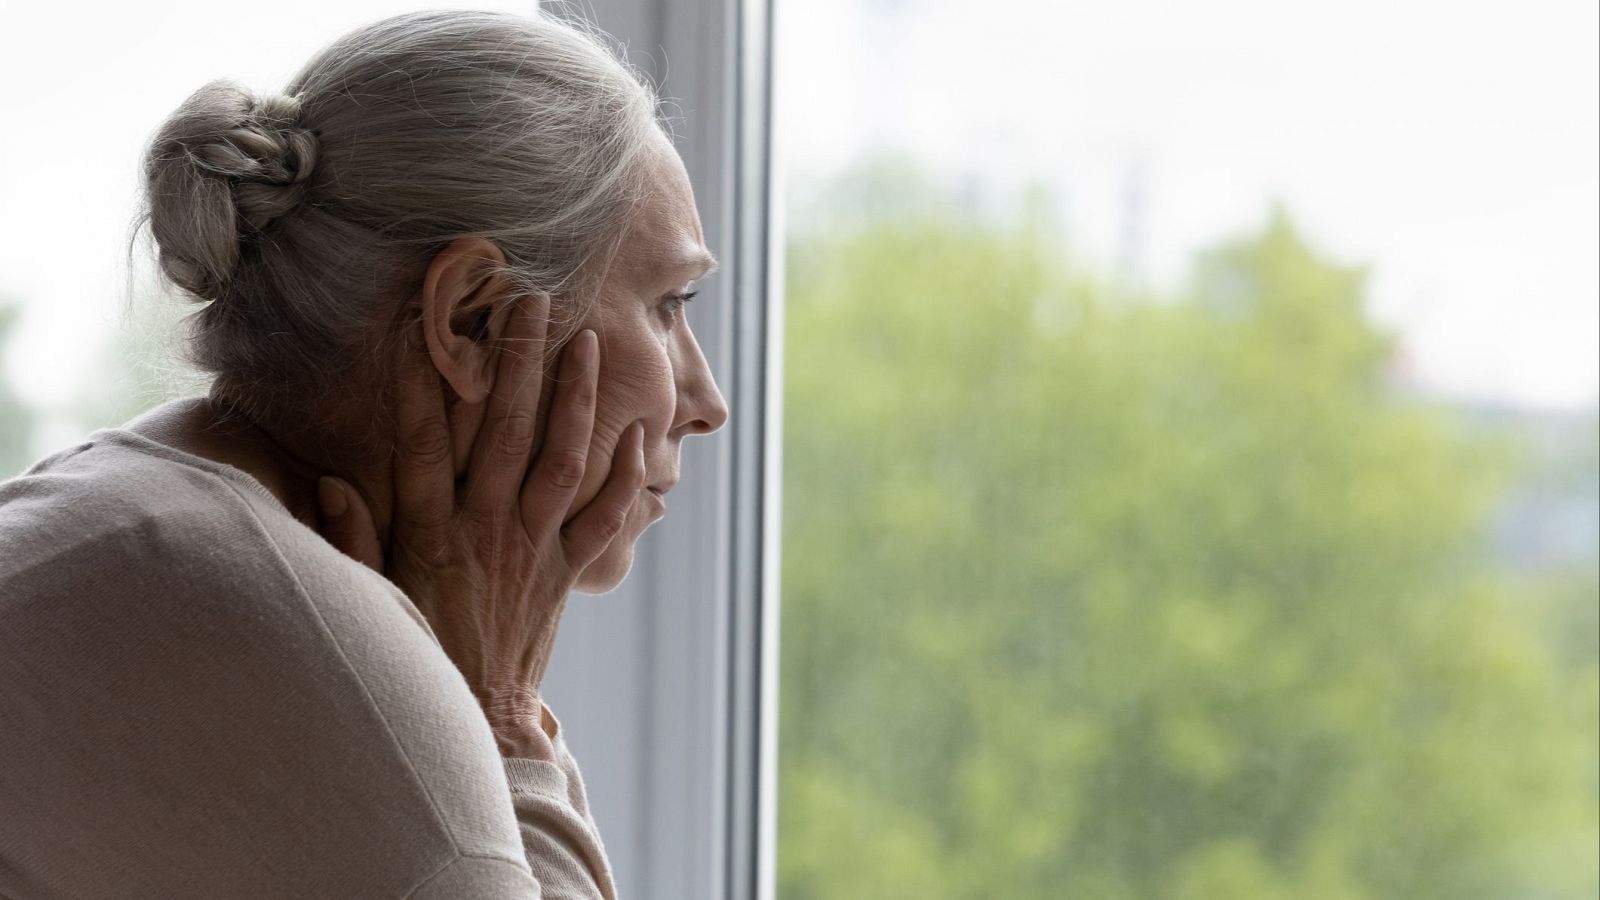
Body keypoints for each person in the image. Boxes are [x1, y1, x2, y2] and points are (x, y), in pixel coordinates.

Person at [0, 8, 728, 898]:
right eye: (668, 304)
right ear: (473, 319)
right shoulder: (288, 636)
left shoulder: (132, 516)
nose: (706, 404)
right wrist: (496, 717)